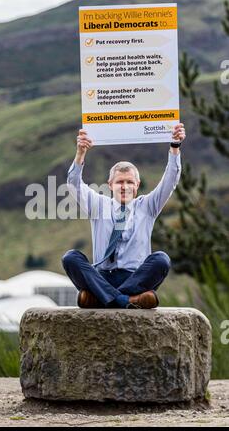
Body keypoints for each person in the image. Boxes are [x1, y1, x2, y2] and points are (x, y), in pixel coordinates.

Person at [62, 123, 186, 309]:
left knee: (161, 259)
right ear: (110, 184)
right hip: (102, 275)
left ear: (137, 185)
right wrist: (80, 152)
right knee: (70, 258)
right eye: (120, 182)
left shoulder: (147, 205)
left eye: (129, 182)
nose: (125, 186)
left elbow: (170, 180)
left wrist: (174, 146)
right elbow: (73, 184)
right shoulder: (98, 205)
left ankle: (101, 298)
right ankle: (127, 301)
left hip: (135, 278)